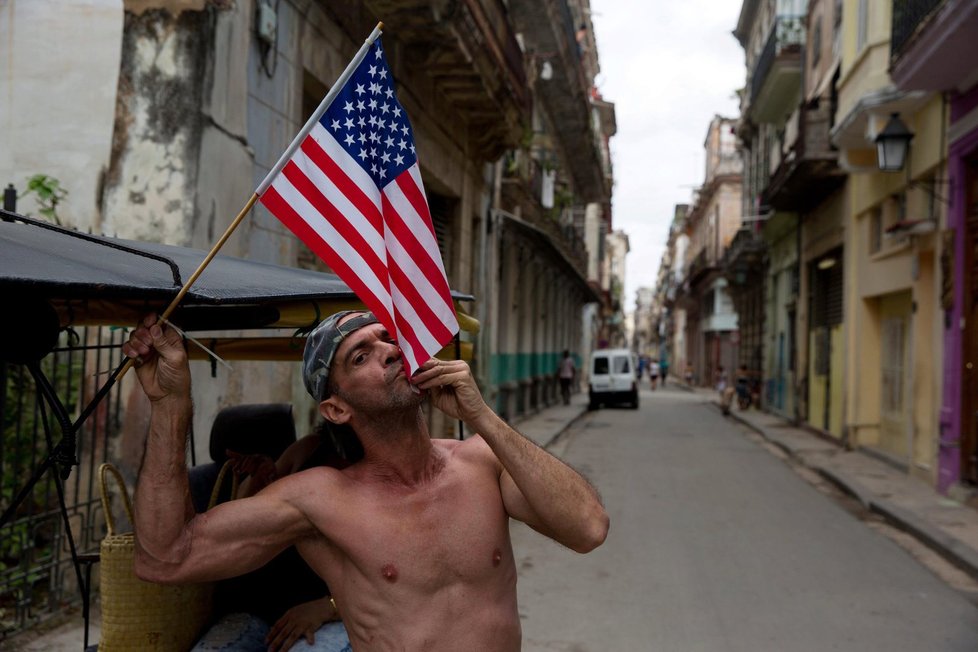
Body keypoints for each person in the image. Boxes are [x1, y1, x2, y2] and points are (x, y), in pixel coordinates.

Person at [123, 311, 608, 652]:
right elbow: (167, 556)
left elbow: (587, 528)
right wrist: (170, 405)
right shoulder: (320, 498)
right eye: (360, 357)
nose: (390, 352)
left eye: (386, 339)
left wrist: (484, 418)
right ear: (337, 409)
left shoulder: (483, 461)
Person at [193, 430, 357, 651]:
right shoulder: (309, 449)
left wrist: (328, 607)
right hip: (255, 608)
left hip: (331, 613)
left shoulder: (391, 474)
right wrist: (257, 483)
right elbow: (235, 530)